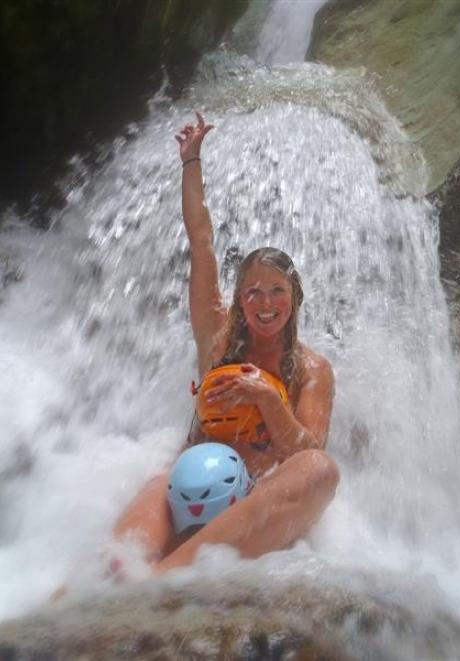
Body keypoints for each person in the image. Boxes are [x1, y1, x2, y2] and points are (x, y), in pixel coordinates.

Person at [113, 112, 340, 575]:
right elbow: (202, 242)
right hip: (189, 488)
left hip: (256, 509)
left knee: (321, 469)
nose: (265, 302)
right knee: (115, 567)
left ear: (295, 298)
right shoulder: (217, 338)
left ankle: (165, 580)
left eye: (277, 291)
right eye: (253, 291)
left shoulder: (312, 369)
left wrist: (265, 397)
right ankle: (109, 595)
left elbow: (305, 452)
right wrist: (191, 160)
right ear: (239, 298)